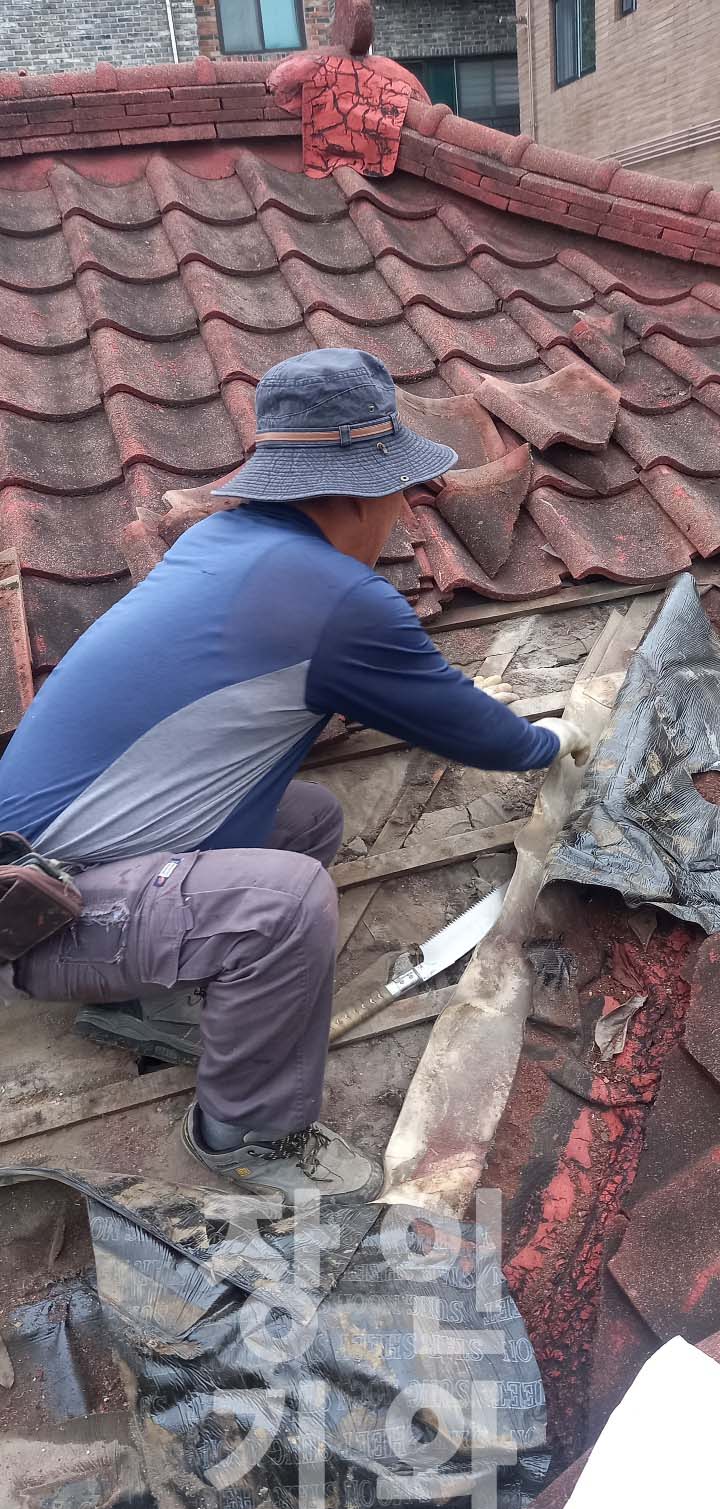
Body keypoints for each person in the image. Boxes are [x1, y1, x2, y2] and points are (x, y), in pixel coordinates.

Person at [0, 349, 588, 1207]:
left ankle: (140, 1006)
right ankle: (247, 1133)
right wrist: (553, 741)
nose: (401, 514)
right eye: (398, 492)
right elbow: (476, 732)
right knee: (281, 906)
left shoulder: (222, 540)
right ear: (356, 494)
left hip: (54, 870)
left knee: (307, 820)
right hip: (32, 916)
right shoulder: (338, 600)